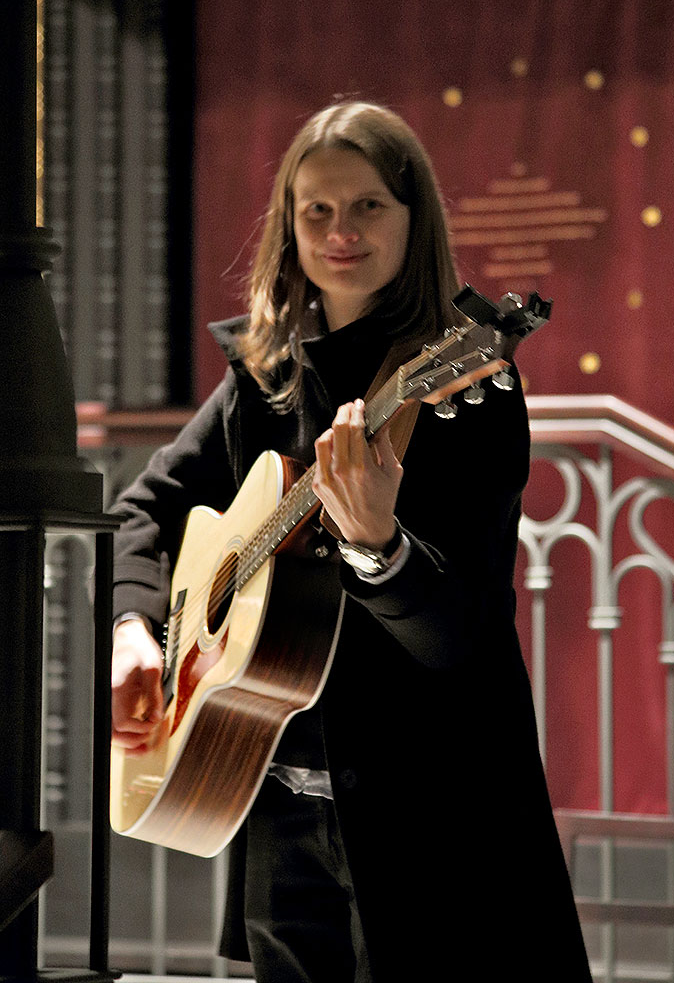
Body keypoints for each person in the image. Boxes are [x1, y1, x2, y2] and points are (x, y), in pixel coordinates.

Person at [110, 101, 592, 981]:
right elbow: (145, 509)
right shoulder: (266, 374)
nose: (341, 230)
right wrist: (137, 630)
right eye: (316, 210)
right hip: (277, 808)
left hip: (433, 817)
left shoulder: (464, 377)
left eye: (368, 205)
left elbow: (459, 637)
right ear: (288, 229)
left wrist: (377, 546)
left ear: (416, 217)